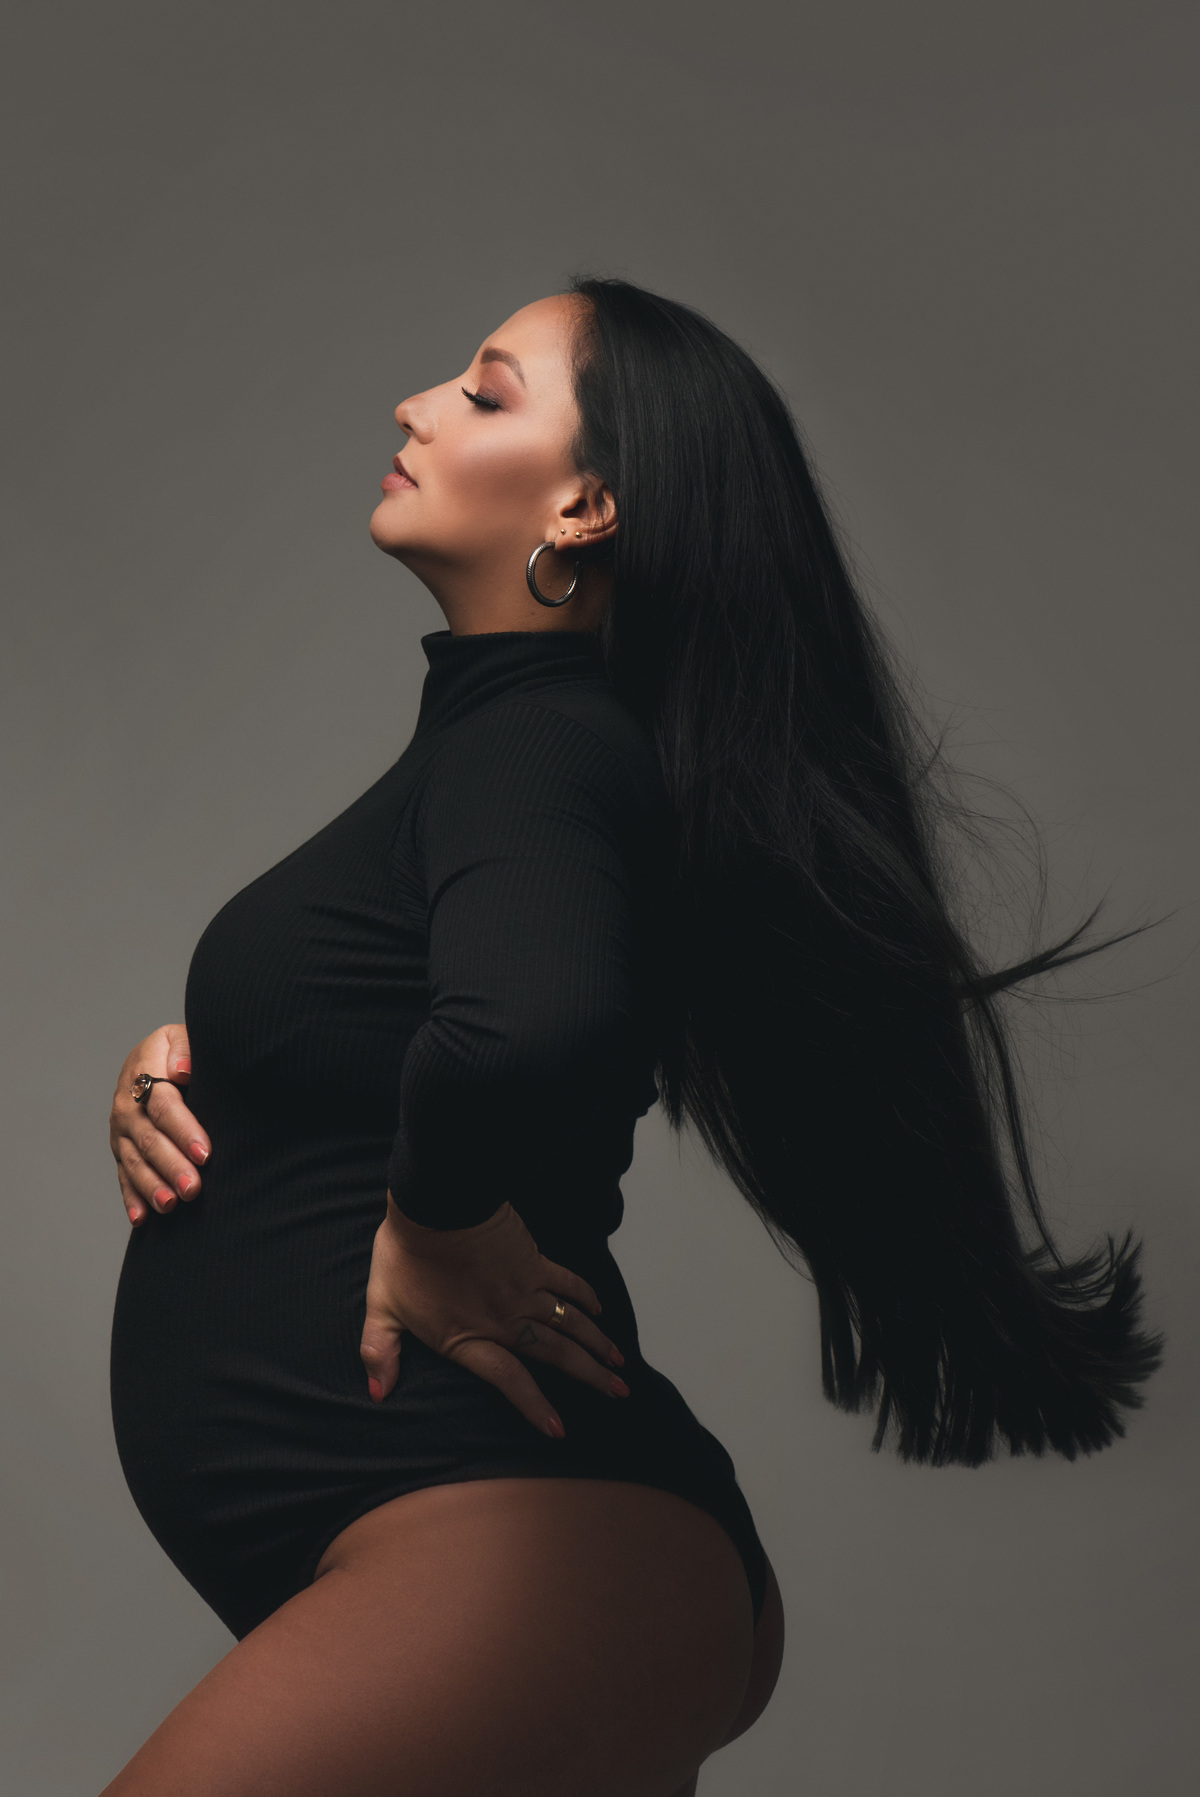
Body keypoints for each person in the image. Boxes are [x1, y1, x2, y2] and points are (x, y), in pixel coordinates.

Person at [104, 277, 1161, 1796]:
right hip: (536, 1558)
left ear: (586, 506)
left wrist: (435, 1215)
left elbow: (525, 1025)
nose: (416, 405)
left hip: (529, 1554)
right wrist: (204, 1063)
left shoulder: (537, 743)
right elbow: (443, 1017)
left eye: (485, 392)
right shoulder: (523, 745)